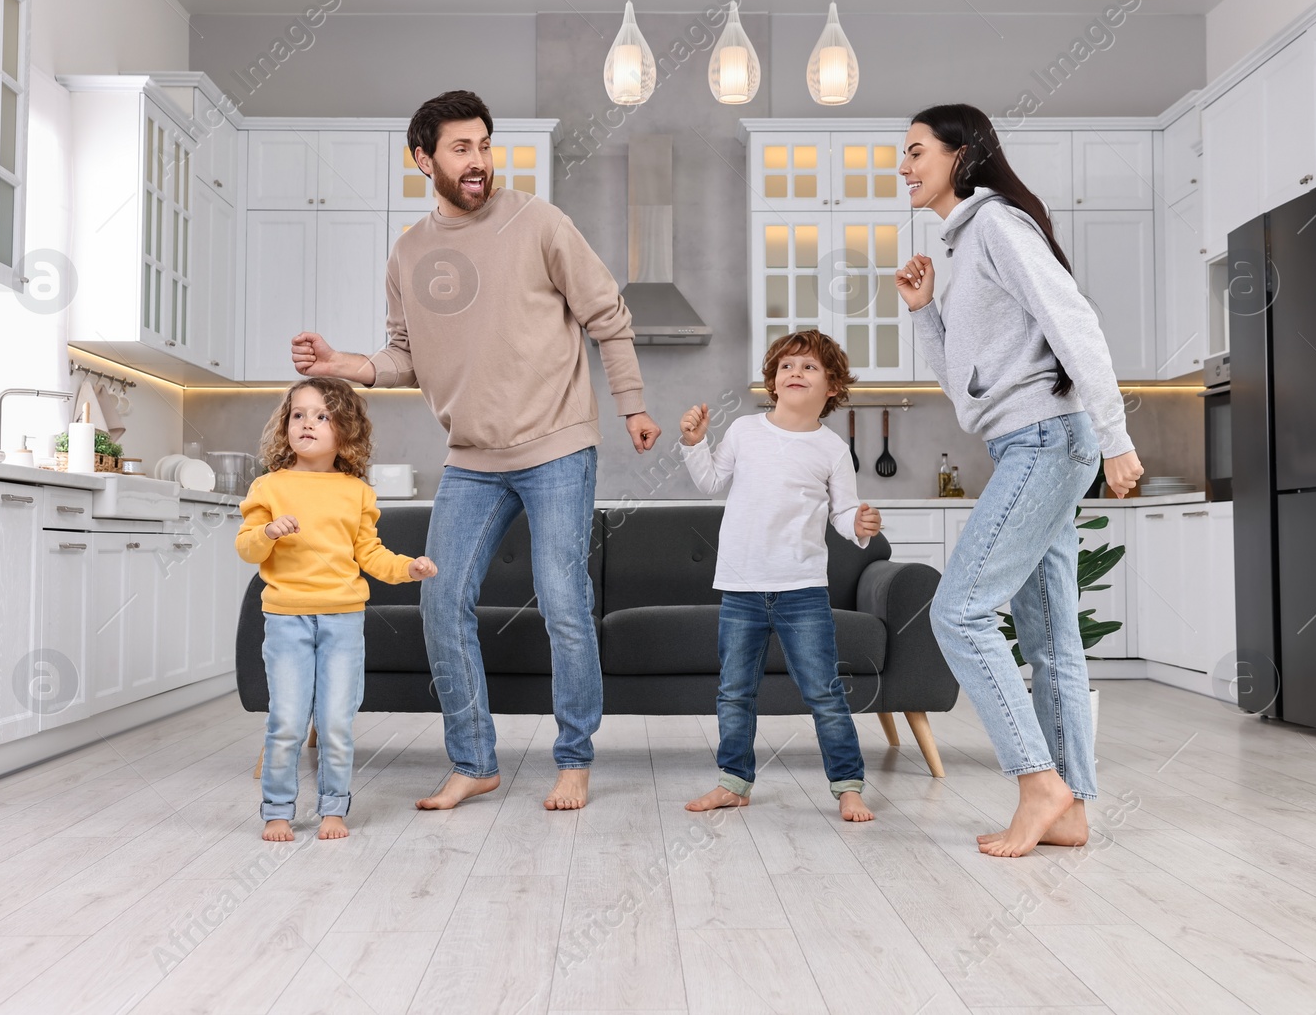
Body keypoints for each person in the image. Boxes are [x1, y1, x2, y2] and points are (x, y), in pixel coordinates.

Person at [289, 90, 661, 812]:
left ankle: (574, 757)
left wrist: (634, 406)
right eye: (461, 148)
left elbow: (608, 315)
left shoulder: (538, 222)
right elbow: (404, 358)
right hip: (472, 458)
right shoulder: (410, 254)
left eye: (485, 146)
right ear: (422, 159)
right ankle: (474, 759)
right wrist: (341, 363)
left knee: (562, 599)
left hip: (557, 444)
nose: (479, 162)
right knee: (440, 598)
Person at [895, 103, 1144, 857]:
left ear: (961, 154)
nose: (902, 167)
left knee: (960, 611)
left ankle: (1040, 784)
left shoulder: (997, 225)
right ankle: (1069, 810)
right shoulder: (965, 246)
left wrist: (1117, 438)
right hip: (1021, 443)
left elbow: (1077, 326)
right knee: (1049, 636)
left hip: (1046, 440)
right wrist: (925, 314)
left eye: (915, 152)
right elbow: (968, 391)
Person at [677, 330, 881, 823]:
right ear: (772, 379)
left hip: (803, 590)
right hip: (742, 588)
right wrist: (693, 442)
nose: (796, 373)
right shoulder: (745, 432)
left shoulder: (832, 450)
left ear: (832, 386)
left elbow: (843, 511)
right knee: (734, 690)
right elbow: (709, 483)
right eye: (787, 366)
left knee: (823, 692)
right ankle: (733, 782)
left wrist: (857, 525)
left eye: (810, 367)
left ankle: (848, 785)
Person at [237, 378, 438, 841]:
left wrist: (410, 568)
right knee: (286, 721)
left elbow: (371, 555)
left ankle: (333, 810)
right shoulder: (267, 486)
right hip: (286, 619)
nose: (307, 423)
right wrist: (268, 534)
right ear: (285, 425)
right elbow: (246, 548)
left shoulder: (357, 493)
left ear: (345, 430)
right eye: (298, 414)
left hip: (343, 621)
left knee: (335, 723)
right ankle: (278, 812)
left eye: (322, 415)